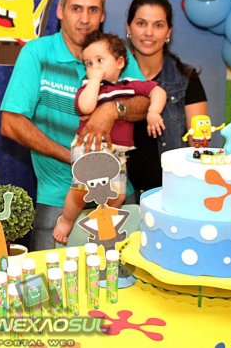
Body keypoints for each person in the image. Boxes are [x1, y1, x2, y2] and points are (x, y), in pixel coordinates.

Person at [0, 0, 149, 251]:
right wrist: (76, 158)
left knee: (122, 274)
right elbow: (11, 123)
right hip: (59, 198)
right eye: (76, 8)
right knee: (50, 277)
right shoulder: (37, 53)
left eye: (93, 10)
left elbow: (144, 103)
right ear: (60, 11)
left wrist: (113, 109)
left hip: (116, 192)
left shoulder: (115, 54)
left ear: (102, 15)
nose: (85, 19)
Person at [53, 31, 167, 244]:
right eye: (88, 63)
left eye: (99, 60)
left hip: (118, 153)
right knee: (82, 189)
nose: (93, 67)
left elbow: (157, 91)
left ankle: (103, 223)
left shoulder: (129, 86)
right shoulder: (89, 89)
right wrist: (94, 81)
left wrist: (154, 112)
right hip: (89, 146)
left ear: (119, 62)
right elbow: (85, 107)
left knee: (118, 195)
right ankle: (66, 220)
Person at [125, 0, 208, 196]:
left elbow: (199, 145)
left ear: (168, 32)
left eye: (158, 25)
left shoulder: (186, 79)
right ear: (128, 28)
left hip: (170, 194)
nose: (149, 32)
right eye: (141, 23)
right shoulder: (112, 78)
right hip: (119, 195)